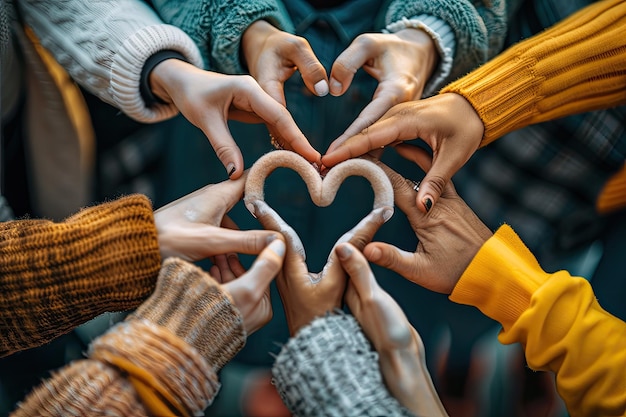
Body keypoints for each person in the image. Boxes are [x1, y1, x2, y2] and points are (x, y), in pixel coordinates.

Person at [149, 1, 512, 413]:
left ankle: (314, 378)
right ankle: (279, 373)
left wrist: (429, 37)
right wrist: (245, 28)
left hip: (397, 110)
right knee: (229, 285)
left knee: (384, 293)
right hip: (237, 96)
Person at [350, 153, 626, 417]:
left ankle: (532, 366)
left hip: (574, 226)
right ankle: (464, 361)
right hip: (496, 192)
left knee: (566, 295)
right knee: (466, 319)